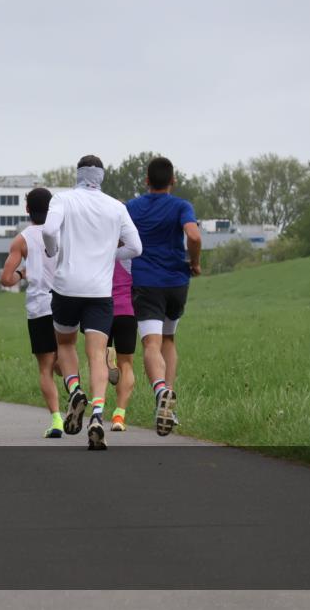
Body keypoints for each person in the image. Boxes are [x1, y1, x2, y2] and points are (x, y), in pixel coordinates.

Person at [41, 155, 142, 451]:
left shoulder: (63, 199)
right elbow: (136, 247)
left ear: (78, 174)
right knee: (98, 355)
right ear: (101, 177)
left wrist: (53, 250)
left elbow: (48, 231)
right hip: (100, 290)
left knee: (66, 344)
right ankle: (97, 413)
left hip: (66, 286)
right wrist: (110, 255)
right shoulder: (116, 207)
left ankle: (74, 390)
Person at [125, 156, 202, 436]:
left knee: (150, 343)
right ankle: (169, 401)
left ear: (146, 180)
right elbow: (193, 236)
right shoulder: (182, 206)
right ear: (173, 181)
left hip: (145, 282)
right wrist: (194, 262)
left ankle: (160, 393)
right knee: (168, 339)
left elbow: (118, 239)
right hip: (176, 282)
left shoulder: (132, 207)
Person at [0, 187, 65, 438]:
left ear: (27, 209)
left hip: (39, 307)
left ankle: (57, 420)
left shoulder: (21, 240)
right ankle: (76, 390)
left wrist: (23, 273)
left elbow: (6, 279)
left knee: (46, 367)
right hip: (64, 302)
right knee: (65, 357)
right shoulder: (62, 233)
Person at [106, 259, 137, 432]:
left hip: (101, 311)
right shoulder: (132, 250)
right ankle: (119, 415)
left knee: (98, 359)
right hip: (127, 309)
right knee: (126, 364)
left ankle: (108, 361)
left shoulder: (100, 245)